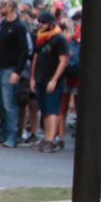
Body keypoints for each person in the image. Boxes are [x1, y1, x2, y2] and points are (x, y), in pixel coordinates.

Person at [0, 0, 27, 147]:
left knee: (9, 102)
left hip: (11, 68)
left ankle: (13, 134)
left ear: (10, 6)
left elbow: (24, 51)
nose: (0, 8)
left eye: (3, 5)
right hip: (0, 66)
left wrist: (18, 71)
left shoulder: (19, 27)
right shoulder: (3, 24)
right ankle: (3, 130)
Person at [31, 11, 69, 152]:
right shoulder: (40, 38)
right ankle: (47, 137)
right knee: (45, 110)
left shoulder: (59, 39)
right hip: (40, 78)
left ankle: (52, 139)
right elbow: (36, 57)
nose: (41, 25)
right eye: (40, 22)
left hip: (52, 79)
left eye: (44, 22)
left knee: (52, 109)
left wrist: (54, 79)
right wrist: (33, 77)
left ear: (51, 23)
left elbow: (63, 61)